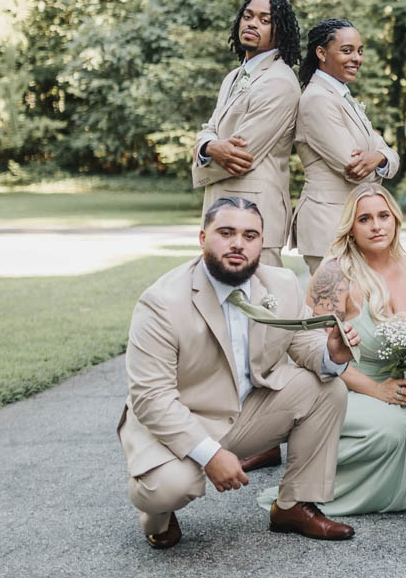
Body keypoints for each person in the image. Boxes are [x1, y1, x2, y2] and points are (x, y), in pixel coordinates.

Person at [117, 197, 359, 549]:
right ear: (202, 237)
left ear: (262, 242)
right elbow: (151, 399)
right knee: (169, 488)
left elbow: (305, 346)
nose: (237, 244)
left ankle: (294, 505)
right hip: (178, 420)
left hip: (245, 413)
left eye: (250, 235)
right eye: (226, 233)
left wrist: (332, 354)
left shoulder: (281, 284)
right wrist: (210, 454)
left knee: (327, 390)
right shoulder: (161, 301)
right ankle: (157, 517)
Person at [272, 184, 406, 515]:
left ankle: (404, 457)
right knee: (390, 426)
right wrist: (377, 389)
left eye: (384, 216)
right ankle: (342, 480)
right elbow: (316, 355)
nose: (377, 226)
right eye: (365, 219)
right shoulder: (334, 274)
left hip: (396, 384)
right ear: (351, 229)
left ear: (395, 220)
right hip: (343, 387)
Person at [192, 0, 302, 267]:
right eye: (248, 16)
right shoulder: (233, 77)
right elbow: (210, 129)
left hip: (257, 217)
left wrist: (210, 148)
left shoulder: (280, 82)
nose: (252, 24)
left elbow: (242, 154)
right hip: (221, 212)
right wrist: (207, 147)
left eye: (265, 20)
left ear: (281, 32)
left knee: (259, 305)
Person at [292, 18, 401, 274]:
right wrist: (379, 158)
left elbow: (388, 155)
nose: (357, 58)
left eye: (360, 51)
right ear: (321, 52)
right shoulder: (317, 99)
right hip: (328, 222)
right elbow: (353, 166)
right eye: (347, 50)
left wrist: (380, 157)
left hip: (352, 220)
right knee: (336, 310)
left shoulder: (342, 97)